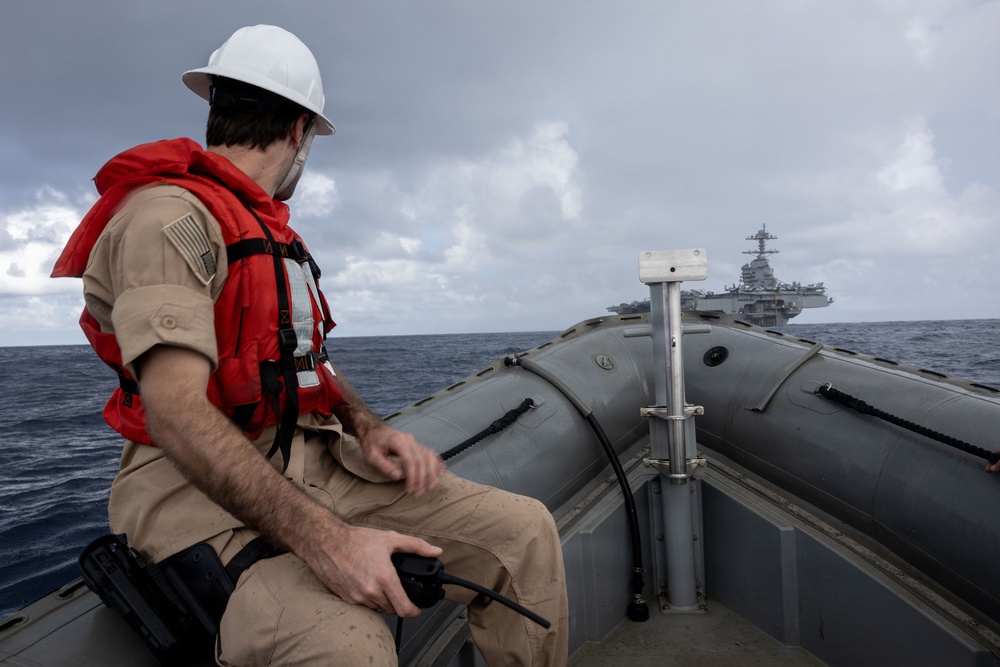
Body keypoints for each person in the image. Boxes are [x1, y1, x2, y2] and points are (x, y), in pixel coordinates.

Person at [53, 24, 568, 666]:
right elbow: (175, 410)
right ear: (298, 129)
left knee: (524, 533)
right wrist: (329, 542)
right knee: (353, 649)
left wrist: (365, 423)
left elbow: (298, 357)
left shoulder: (267, 230)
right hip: (198, 498)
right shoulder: (168, 219)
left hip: (315, 460)